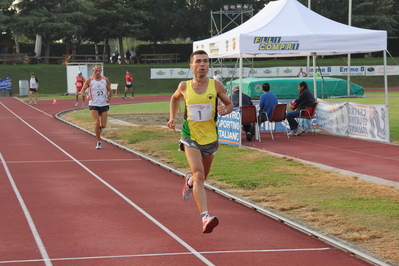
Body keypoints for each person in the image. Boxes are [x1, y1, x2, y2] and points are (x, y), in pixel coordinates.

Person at [167, 50, 233, 234]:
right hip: (190, 136)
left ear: (208, 65)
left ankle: (189, 182)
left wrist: (225, 109)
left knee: (202, 178)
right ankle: (205, 217)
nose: (202, 64)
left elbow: (229, 104)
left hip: (211, 137)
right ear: (192, 66)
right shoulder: (184, 86)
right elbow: (174, 98)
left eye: (205, 61)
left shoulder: (216, 85)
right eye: (198, 61)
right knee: (199, 174)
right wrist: (172, 117)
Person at [80, 65, 112, 149]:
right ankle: (99, 142)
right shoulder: (89, 80)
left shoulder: (105, 79)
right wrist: (87, 96)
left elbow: (110, 91)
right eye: (96, 71)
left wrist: (108, 98)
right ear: (93, 71)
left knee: (103, 125)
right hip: (93, 103)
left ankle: (99, 129)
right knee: (96, 122)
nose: (98, 72)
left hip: (104, 103)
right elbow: (82, 91)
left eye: (99, 71)